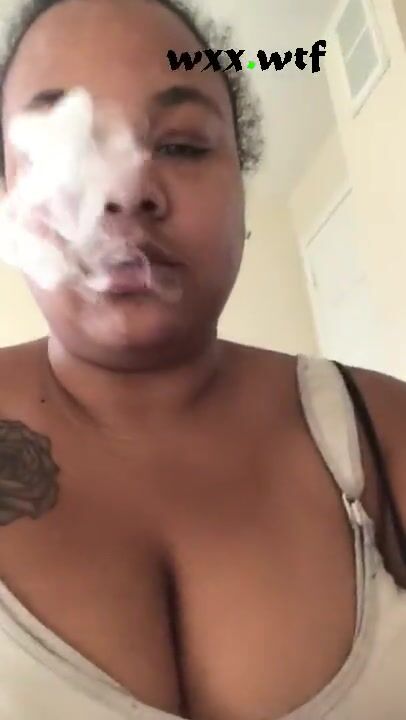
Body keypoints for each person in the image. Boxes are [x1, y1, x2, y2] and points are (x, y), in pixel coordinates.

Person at [0, 1, 405, 718]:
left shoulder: (386, 430)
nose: (125, 192)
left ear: (241, 183)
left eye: (182, 146)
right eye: (64, 148)